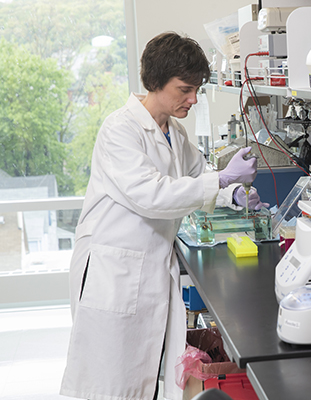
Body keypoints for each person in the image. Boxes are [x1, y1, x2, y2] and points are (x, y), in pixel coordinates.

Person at [60, 32, 267, 400]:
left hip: (150, 268)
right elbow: (151, 195)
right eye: (184, 89)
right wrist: (222, 178)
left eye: (197, 90)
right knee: (109, 385)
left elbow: (195, 177)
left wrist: (233, 193)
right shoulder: (119, 130)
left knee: (144, 382)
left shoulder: (174, 132)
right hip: (115, 270)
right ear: (155, 82)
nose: (193, 99)